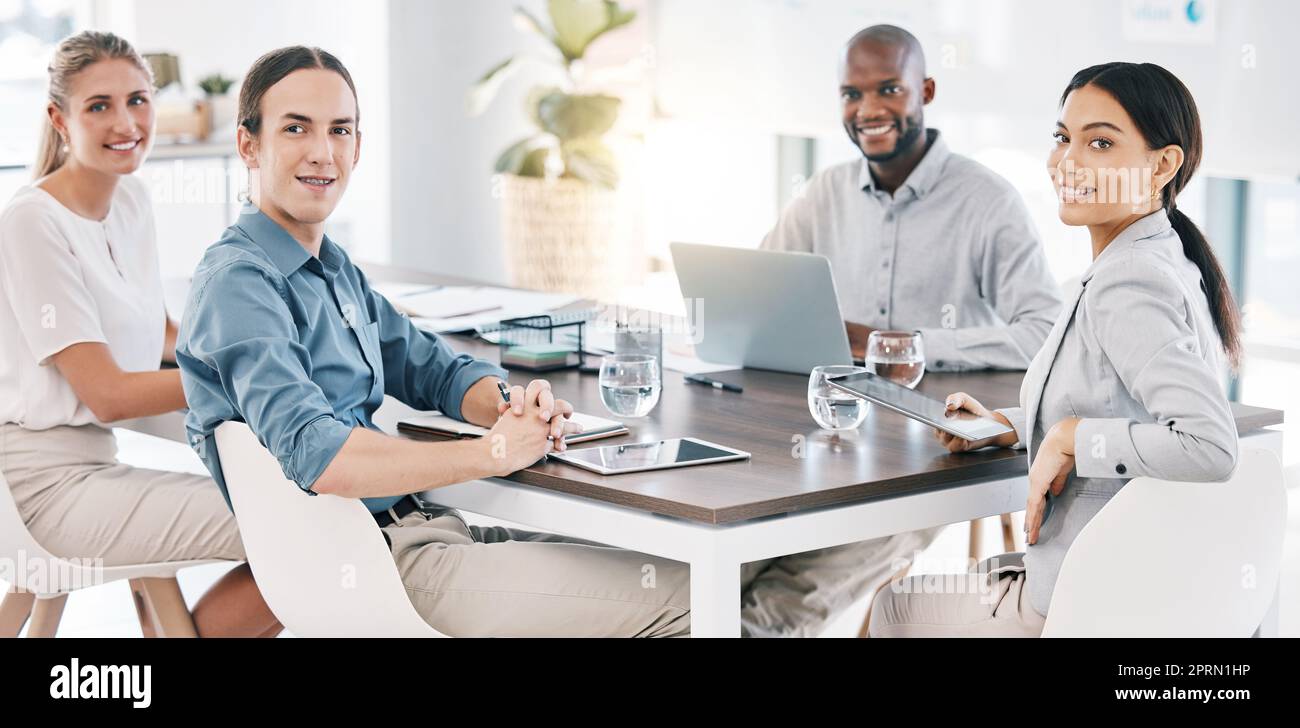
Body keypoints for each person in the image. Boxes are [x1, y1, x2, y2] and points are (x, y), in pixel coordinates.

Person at [175, 46, 691, 637]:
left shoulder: (331, 266)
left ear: (358, 148)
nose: (322, 152)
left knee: (709, 575)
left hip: (423, 531)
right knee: (691, 596)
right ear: (249, 145)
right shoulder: (240, 283)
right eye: (296, 129)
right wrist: (493, 452)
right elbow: (321, 455)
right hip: (380, 568)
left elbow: (432, 370)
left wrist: (512, 406)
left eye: (340, 131)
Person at [868, 62, 1241, 637]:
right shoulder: (1164, 255)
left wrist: (1069, 437)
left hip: (1081, 601)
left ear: (1163, 164)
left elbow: (1209, 446)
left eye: (1100, 143)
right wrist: (1013, 426)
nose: (1067, 162)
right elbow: (1126, 408)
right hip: (1135, 588)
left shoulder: (1128, 281)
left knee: (893, 604)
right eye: (1063, 138)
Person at [746, 24, 1062, 637]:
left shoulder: (987, 202)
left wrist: (904, 346)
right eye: (850, 94)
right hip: (823, 442)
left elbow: (1045, 331)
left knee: (774, 612)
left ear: (926, 90)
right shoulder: (824, 193)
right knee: (713, 563)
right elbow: (761, 292)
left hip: (926, 456)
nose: (867, 110)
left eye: (888, 89)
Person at [0, 31, 280, 637]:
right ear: (59, 118)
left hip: (100, 468)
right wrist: (244, 379)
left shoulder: (130, 200)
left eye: (138, 100)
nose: (125, 122)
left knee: (305, 503)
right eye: (99, 105)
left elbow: (161, 334)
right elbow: (110, 395)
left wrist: (260, 347)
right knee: (299, 518)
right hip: (43, 494)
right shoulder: (31, 220)